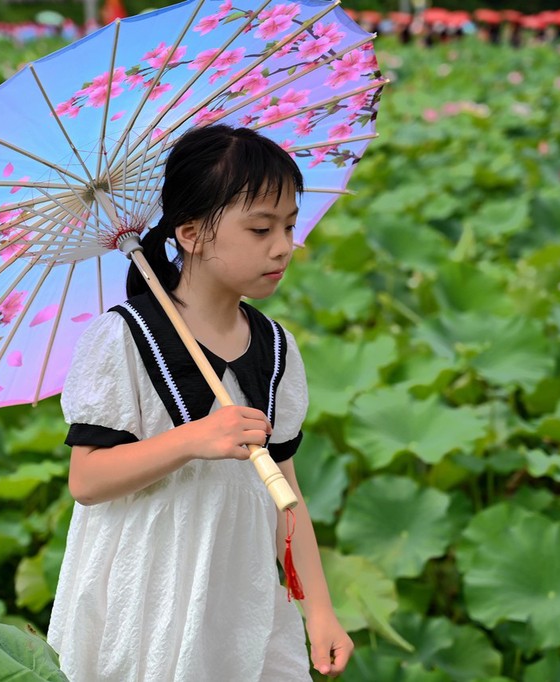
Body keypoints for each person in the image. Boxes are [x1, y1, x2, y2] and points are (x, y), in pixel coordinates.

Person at [48, 125, 353, 680]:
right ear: (191, 234)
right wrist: (194, 440)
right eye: (261, 228)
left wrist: (320, 612)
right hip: (145, 590)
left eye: (288, 224)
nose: (284, 245)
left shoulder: (276, 348)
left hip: (241, 588)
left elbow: (286, 491)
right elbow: (86, 480)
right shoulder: (125, 337)